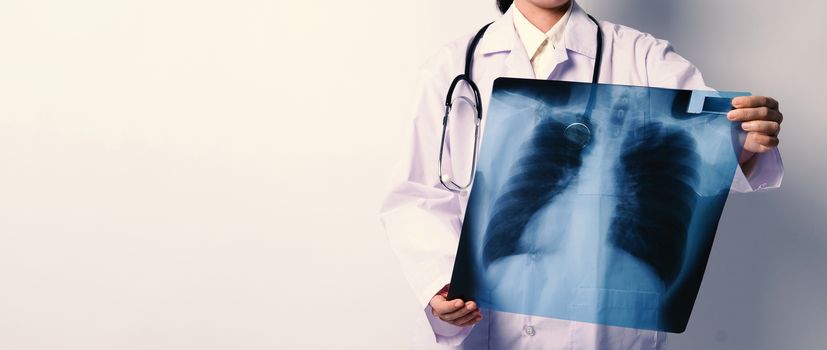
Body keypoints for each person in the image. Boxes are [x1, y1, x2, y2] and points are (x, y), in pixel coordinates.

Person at [379, 0, 784, 348]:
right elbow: (418, 194)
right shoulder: (452, 66)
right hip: (490, 320)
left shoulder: (644, 56)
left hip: (605, 325)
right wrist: (438, 282)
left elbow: (706, 150)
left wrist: (744, 140)